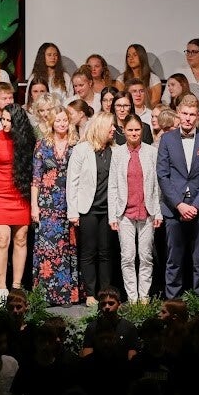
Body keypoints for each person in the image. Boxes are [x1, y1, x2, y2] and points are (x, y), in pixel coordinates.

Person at [157, 94, 199, 298]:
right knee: (173, 259)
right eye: (184, 113)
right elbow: (162, 175)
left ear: (198, 116)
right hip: (174, 208)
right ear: (178, 113)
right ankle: (173, 301)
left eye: (192, 114)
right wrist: (179, 204)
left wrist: (196, 205)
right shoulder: (167, 139)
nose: (188, 118)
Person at [108, 113, 163, 303]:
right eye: (130, 130)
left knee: (146, 256)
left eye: (137, 130)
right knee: (128, 256)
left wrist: (158, 212)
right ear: (124, 131)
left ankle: (144, 296)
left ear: (142, 130)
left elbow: (157, 185)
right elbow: (113, 186)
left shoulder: (152, 152)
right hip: (125, 213)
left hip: (147, 211)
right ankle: (132, 297)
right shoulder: (117, 153)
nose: (134, 133)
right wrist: (112, 216)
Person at [67, 115, 119, 305]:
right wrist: (73, 211)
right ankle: (90, 293)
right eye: (110, 126)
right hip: (87, 209)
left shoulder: (116, 151)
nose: (114, 129)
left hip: (108, 210)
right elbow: (72, 182)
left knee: (105, 252)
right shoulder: (81, 150)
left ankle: (105, 293)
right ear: (101, 127)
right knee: (89, 251)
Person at [32, 108, 80, 306]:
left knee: (66, 248)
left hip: (69, 203)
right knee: (47, 249)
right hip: (47, 203)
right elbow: (36, 178)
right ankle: (45, 296)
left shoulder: (76, 145)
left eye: (64, 120)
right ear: (51, 122)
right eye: (58, 120)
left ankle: (66, 295)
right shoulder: (43, 145)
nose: (62, 124)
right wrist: (34, 206)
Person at [0, 106, 32, 291]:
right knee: (2, 239)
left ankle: (17, 285)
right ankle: (1, 285)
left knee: (21, 239)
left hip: (21, 195)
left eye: (8, 120)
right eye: (2, 119)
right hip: (0, 195)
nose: (4, 123)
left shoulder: (27, 140)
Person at [121, 42, 164, 107]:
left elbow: (154, 102)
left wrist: (142, 111)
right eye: (128, 56)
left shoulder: (154, 79)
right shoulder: (121, 79)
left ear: (142, 57)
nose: (131, 58)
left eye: (135, 55)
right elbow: (121, 101)